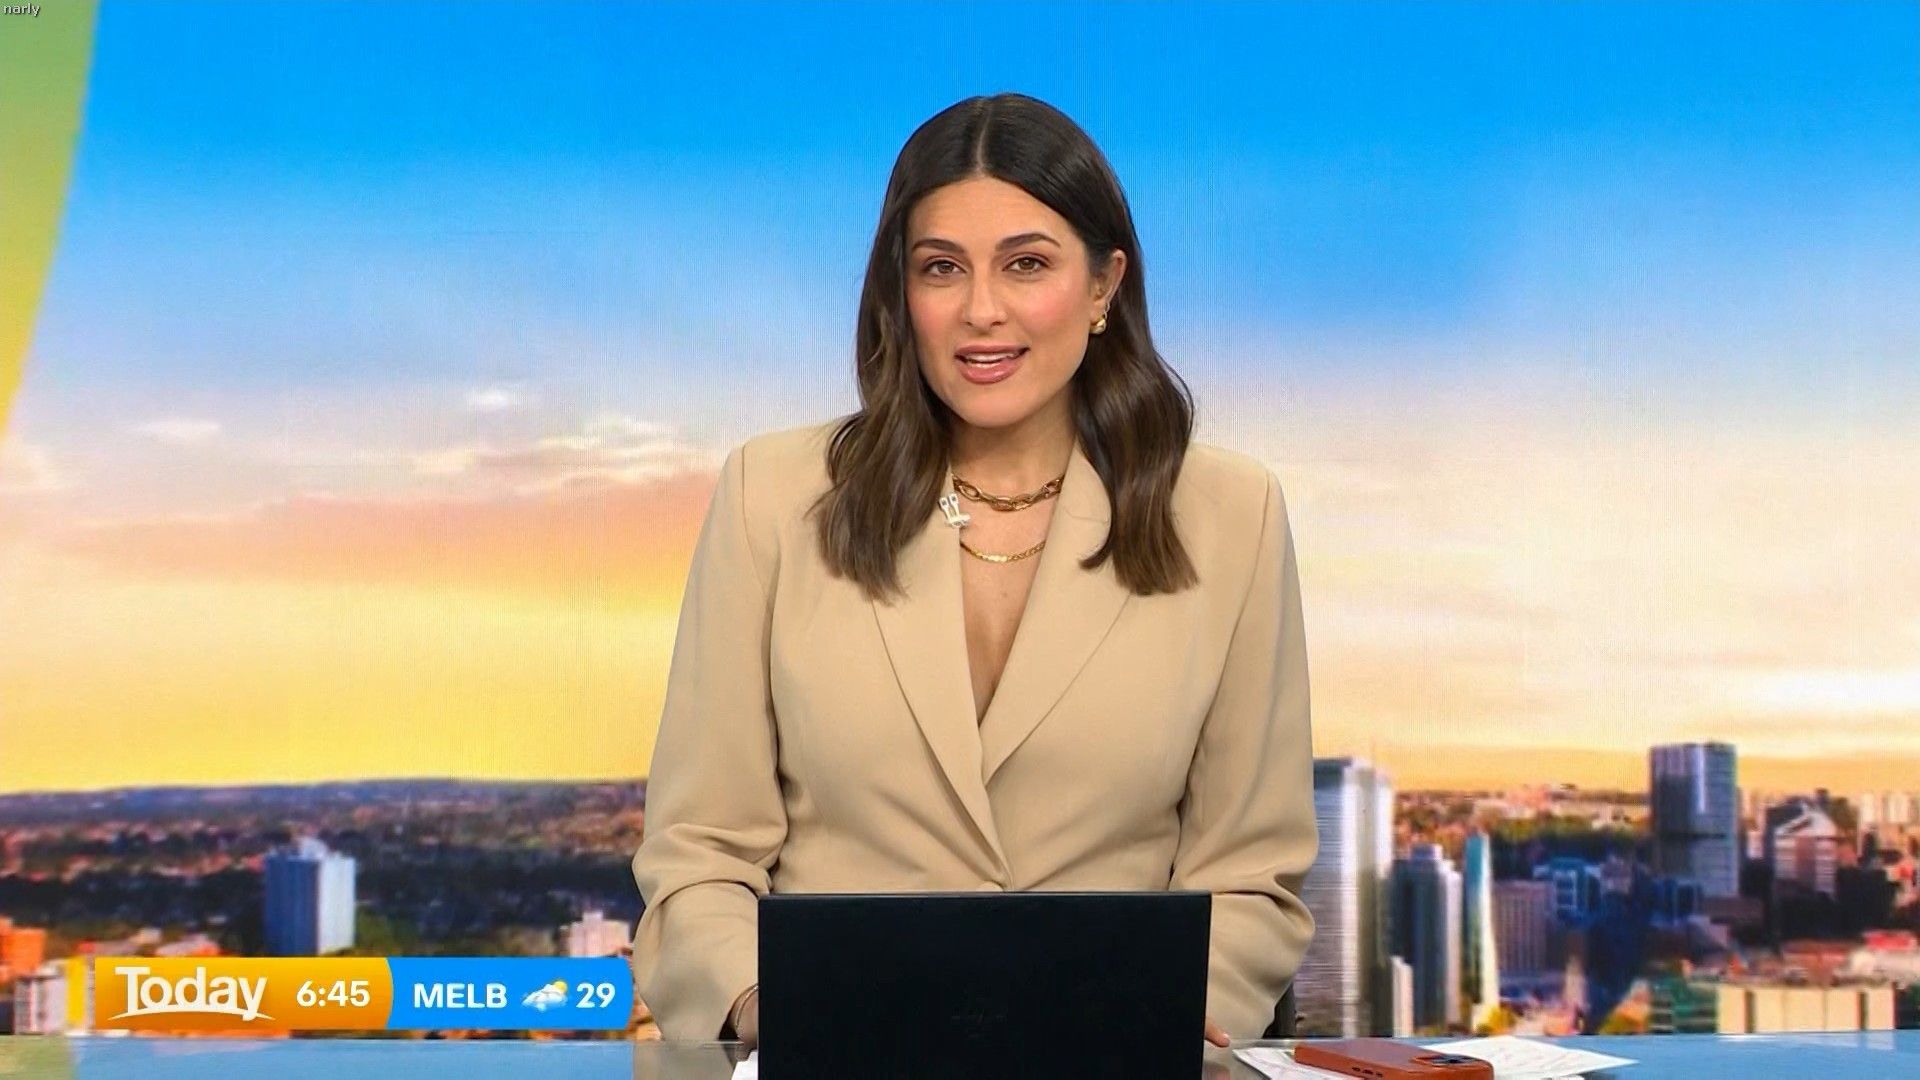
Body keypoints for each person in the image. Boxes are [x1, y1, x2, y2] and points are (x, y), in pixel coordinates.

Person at [631, 92, 1315, 1051]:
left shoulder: (1232, 515)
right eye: (941, 268)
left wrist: (1154, 1027)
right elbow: (700, 850)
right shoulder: (771, 496)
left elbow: (1250, 875)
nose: (980, 311)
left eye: (1027, 264)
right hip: (839, 1060)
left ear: (1104, 286)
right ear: (900, 293)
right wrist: (772, 1009)